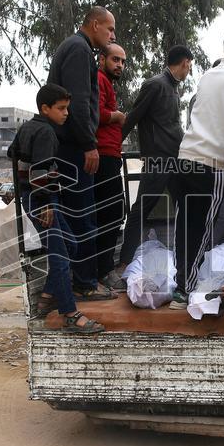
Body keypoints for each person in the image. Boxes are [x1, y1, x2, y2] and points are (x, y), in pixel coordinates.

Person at [8, 83, 105, 333]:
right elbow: (43, 172)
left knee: (70, 244)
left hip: (32, 198)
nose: (66, 113)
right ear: (45, 108)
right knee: (60, 255)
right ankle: (70, 314)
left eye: (67, 108)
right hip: (43, 202)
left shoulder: (28, 127)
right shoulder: (47, 133)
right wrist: (48, 204)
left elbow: (13, 153)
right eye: (61, 109)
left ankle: (48, 295)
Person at [168, 30, 224, 309]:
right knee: (202, 230)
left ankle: (182, 282)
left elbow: (218, 118)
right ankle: (186, 289)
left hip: (184, 158)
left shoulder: (207, 76)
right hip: (210, 164)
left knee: (183, 227)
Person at [47, 6, 117, 302]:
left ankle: (59, 286)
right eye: (110, 29)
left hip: (70, 146)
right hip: (75, 149)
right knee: (83, 215)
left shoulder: (76, 48)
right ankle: (86, 282)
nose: (112, 35)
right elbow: (77, 103)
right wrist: (90, 144)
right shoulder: (78, 50)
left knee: (74, 216)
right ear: (95, 23)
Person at [120, 44, 193, 268]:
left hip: (175, 159)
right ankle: (123, 263)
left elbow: (172, 126)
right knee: (141, 211)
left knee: (188, 206)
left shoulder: (172, 87)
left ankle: (186, 261)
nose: (188, 71)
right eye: (188, 67)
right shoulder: (155, 85)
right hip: (157, 161)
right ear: (184, 63)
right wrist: (115, 145)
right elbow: (134, 116)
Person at [94, 43, 128, 291]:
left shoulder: (106, 81)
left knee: (112, 213)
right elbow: (97, 113)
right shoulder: (98, 79)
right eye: (115, 59)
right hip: (103, 156)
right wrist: (117, 116)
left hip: (110, 155)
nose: (120, 65)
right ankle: (103, 269)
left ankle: (102, 268)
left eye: (123, 61)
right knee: (111, 213)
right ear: (102, 59)